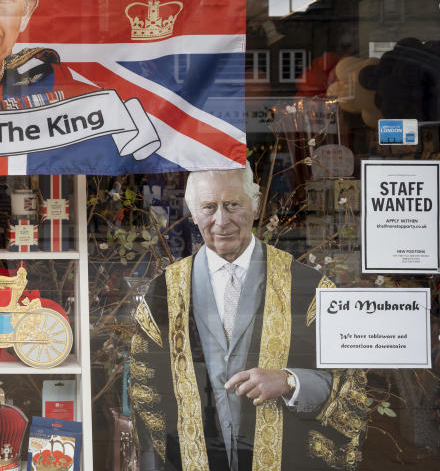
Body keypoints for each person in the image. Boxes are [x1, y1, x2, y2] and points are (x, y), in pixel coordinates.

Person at [129, 165, 366, 471]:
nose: (221, 220)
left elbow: (350, 382)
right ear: (194, 214)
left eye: (232, 205)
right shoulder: (162, 294)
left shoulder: (310, 290)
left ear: (254, 207)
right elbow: (145, 395)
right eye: (209, 207)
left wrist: (291, 382)